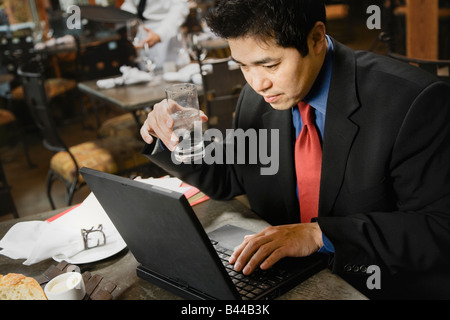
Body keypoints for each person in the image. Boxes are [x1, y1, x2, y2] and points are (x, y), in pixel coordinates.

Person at [139, 0, 450, 299]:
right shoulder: (258, 95)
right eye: (243, 65)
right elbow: (229, 176)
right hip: (287, 279)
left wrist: (318, 235)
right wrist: (168, 137)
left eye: (270, 64)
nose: (257, 82)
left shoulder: (413, 102)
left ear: (315, 38)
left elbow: (439, 228)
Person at [121, 0, 190, 69]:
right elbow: (129, 6)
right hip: (143, 31)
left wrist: (160, 35)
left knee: (174, 72)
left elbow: (180, 7)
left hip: (167, 29)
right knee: (149, 72)